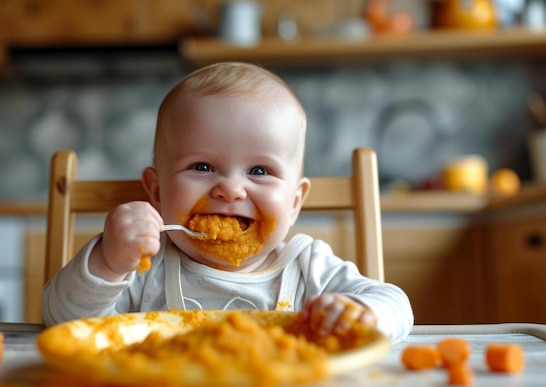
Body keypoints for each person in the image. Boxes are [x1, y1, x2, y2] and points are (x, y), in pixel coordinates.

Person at [42, 62, 413, 343]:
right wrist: (108, 261)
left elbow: (397, 306)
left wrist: (362, 314)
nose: (231, 189)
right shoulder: (143, 266)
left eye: (260, 170)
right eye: (202, 167)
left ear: (295, 201)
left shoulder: (308, 267)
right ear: (156, 192)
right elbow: (62, 324)